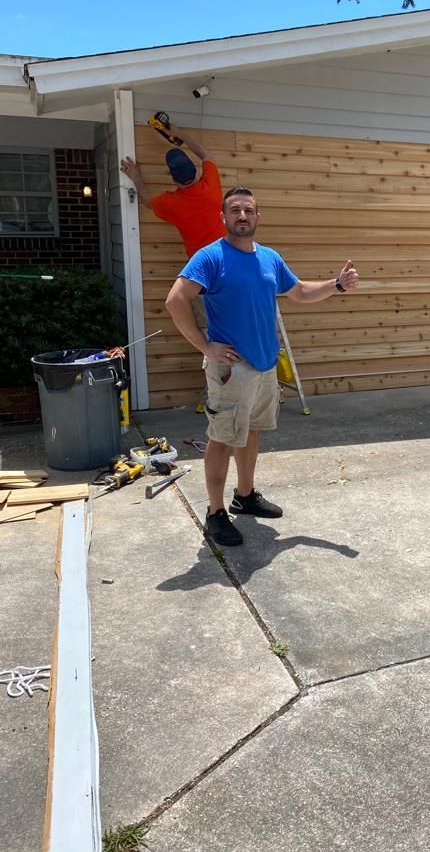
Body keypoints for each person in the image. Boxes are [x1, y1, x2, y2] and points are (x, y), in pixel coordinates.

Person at [165, 185, 360, 547]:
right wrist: (205, 345)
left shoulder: (270, 258)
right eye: (235, 210)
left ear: (257, 216)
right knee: (222, 437)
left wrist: (337, 285)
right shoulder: (210, 258)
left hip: (265, 364)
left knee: (250, 431)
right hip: (231, 369)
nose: (242, 216)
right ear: (223, 217)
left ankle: (245, 495)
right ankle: (214, 512)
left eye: (248, 210)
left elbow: (299, 291)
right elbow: (176, 300)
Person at [120, 122, 224, 258]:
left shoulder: (171, 203)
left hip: (200, 264)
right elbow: (206, 155)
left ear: (174, 180)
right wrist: (179, 134)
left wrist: (136, 178)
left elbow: (147, 201)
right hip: (226, 256)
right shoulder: (210, 188)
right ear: (196, 172)